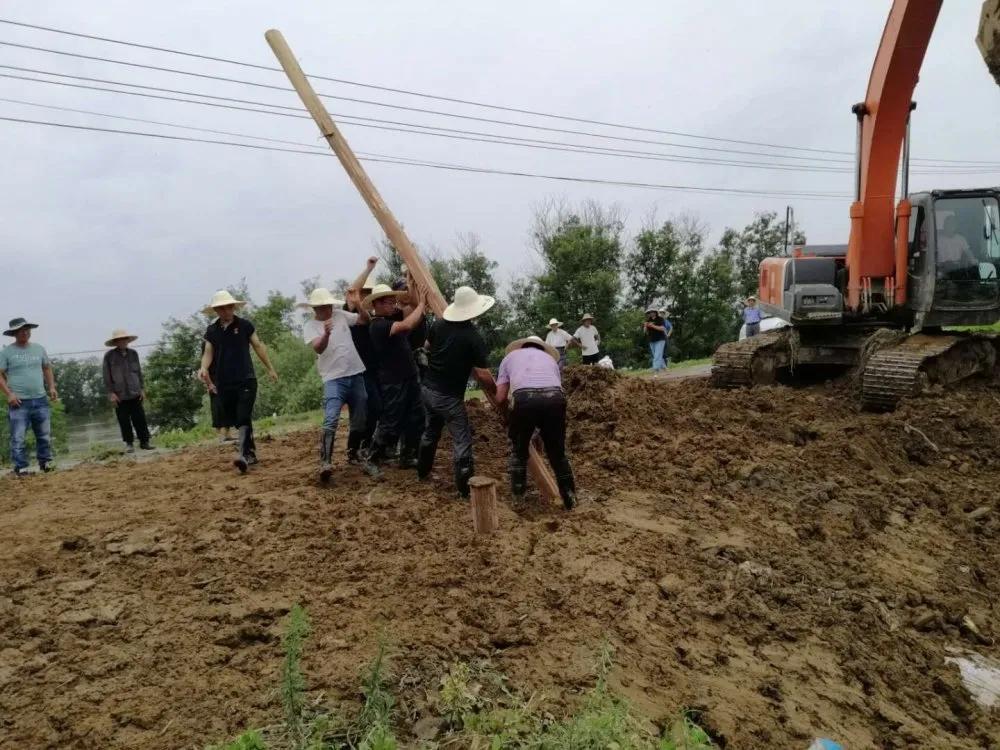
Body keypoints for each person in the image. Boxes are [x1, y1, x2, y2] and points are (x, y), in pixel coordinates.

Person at [418, 285, 494, 499]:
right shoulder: (473, 337)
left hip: (428, 389)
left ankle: (421, 472)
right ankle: (464, 489)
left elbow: (426, 347)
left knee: (431, 431)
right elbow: (483, 375)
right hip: (449, 397)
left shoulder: (438, 325)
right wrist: (500, 395)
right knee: (462, 440)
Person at [300, 286, 377, 483]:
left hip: (355, 373)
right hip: (333, 378)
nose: (325, 309)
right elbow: (318, 348)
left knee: (360, 416)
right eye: (321, 307)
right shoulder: (310, 326)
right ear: (315, 309)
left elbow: (365, 320)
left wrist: (359, 306)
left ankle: (353, 452)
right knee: (331, 417)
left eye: (327, 305)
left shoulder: (341, 315)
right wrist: (325, 334)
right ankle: (325, 461)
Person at [198, 290, 279, 474]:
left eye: (228, 307)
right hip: (224, 383)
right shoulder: (212, 331)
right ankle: (250, 453)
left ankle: (242, 454)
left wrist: (270, 368)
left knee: (243, 415)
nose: (225, 310)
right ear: (216, 310)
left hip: (246, 379)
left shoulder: (244, 325)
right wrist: (203, 368)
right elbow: (208, 352)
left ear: (233, 307)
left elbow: (258, 345)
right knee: (238, 419)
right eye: (221, 308)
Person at [495, 335, 577, 510]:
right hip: (556, 399)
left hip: (525, 399)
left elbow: (500, 397)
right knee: (557, 453)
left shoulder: (509, 358)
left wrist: (509, 416)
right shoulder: (551, 360)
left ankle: (518, 499)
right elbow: (553, 388)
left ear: (522, 347)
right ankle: (570, 497)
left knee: (519, 451)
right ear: (542, 348)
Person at [365, 282, 427, 470]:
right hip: (393, 380)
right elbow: (408, 324)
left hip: (409, 376)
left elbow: (410, 307)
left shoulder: (391, 318)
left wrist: (412, 285)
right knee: (391, 420)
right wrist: (423, 303)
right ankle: (372, 458)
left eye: (394, 301)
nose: (393, 305)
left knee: (416, 416)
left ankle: (408, 455)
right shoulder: (378, 325)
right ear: (377, 304)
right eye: (389, 302)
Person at [0, 317, 58, 476]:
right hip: (19, 402)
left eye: (27, 329)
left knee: (44, 434)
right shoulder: (6, 352)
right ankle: (21, 467)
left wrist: (51, 387)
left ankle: (45, 463)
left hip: (40, 398)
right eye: (21, 330)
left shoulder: (39, 349)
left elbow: (46, 368)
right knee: (18, 437)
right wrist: (9, 393)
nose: (25, 332)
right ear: (14, 333)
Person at [344, 257, 380, 461]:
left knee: (375, 408)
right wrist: (368, 269)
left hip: (373, 370)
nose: (364, 297)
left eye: (368, 294)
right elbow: (351, 292)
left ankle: (364, 445)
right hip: (358, 371)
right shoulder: (352, 316)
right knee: (362, 410)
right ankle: (353, 448)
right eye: (363, 293)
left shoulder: (375, 318)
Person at [102, 328, 153, 454]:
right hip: (119, 395)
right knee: (124, 420)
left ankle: (144, 442)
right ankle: (129, 444)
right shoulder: (109, 356)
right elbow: (106, 375)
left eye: (124, 339)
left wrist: (142, 389)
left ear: (127, 340)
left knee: (140, 418)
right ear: (116, 342)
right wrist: (111, 393)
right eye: (119, 340)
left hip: (135, 392)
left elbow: (139, 372)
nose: (122, 342)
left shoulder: (133, 354)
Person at [938, 215, 978, 279]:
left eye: (952, 225)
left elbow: (968, 252)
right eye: (948, 224)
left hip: (956, 269)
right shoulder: (937, 240)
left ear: (955, 226)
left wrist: (973, 260)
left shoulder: (961, 239)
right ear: (944, 226)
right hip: (942, 269)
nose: (950, 227)